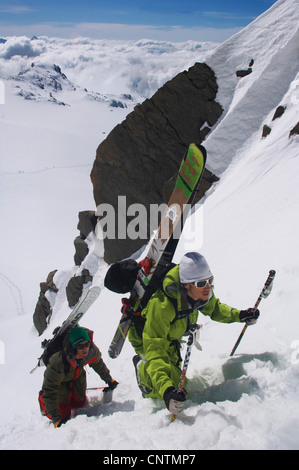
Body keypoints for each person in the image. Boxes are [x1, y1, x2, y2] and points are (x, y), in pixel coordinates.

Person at [128, 252, 259, 415]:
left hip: (171, 336)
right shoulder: (161, 306)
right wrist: (166, 391)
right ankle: (143, 373)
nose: (207, 286)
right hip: (146, 339)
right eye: (201, 282)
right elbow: (155, 350)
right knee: (167, 386)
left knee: (177, 383)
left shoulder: (201, 293)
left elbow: (215, 309)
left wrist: (240, 315)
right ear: (186, 285)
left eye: (210, 280)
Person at [39, 326, 118, 428]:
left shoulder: (90, 351)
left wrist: (109, 379)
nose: (85, 349)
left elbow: (98, 364)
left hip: (77, 377)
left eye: (86, 345)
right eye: (80, 347)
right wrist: (55, 417)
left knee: (79, 404)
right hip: (60, 383)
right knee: (64, 416)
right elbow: (49, 389)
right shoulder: (58, 361)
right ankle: (42, 403)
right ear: (73, 347)